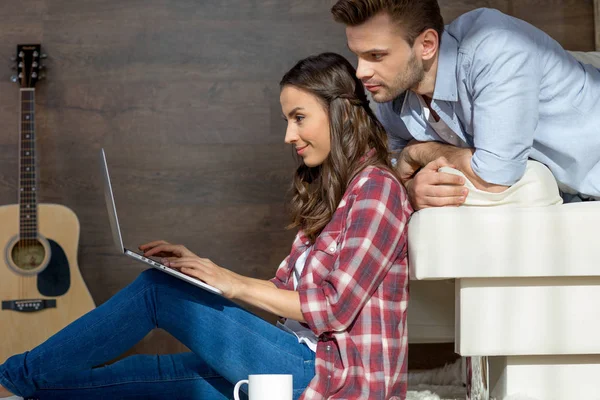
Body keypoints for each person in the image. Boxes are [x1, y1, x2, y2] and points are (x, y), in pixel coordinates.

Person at [0, 52, 412, 400]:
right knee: (151, 376)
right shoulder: (333, 194)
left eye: (299, 117)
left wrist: (230, 281)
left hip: (333, 379)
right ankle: (30, 388)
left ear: (338, 112)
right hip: (296, 357)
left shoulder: (377, 190)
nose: (289, 135)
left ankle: (13, 377)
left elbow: (335, 308)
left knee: (157, 291)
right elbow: (286, 292)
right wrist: (206, 272)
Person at [331, 0, 600, 209]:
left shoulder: (496, 49)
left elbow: (495, 176)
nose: (361, 72)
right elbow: (392, 169)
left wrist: (418, 152)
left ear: (426, 45)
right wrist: (413, 186)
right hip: (568, 201)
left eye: (376, 55)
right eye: (358, 56)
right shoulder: (392, 89)